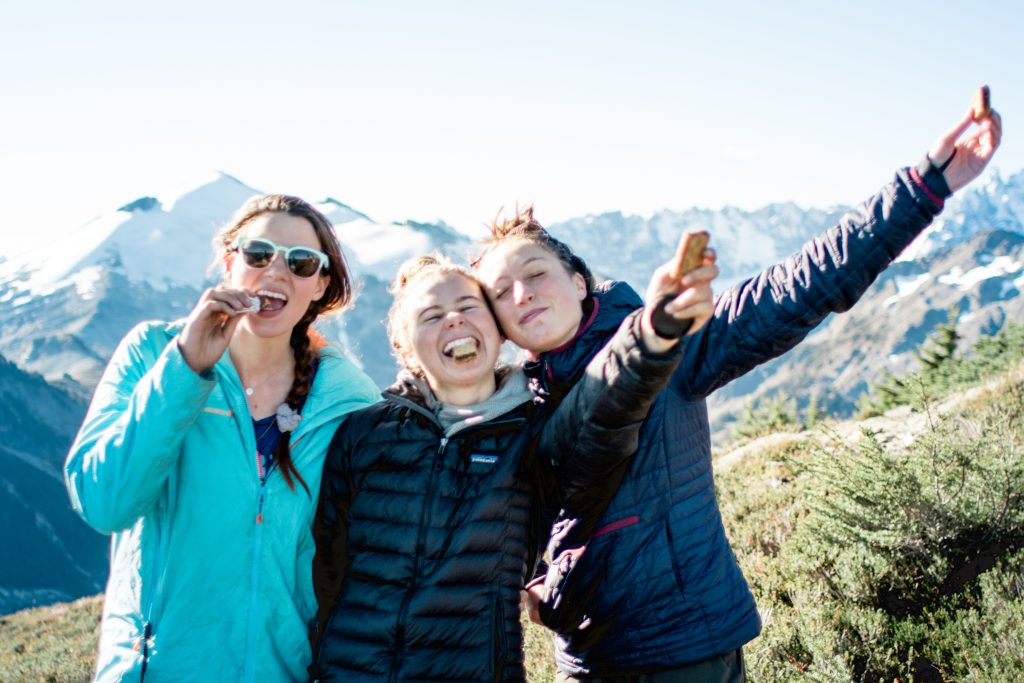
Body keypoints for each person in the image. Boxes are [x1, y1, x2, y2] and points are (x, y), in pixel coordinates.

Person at [471, 100, 1002, 681]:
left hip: (686, 648)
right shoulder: (517, 402)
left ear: (578, 281)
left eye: (536, 274)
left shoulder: (672, 342)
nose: (522, 294)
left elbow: (803, 283)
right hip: (586, 660)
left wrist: (925, 186)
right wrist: (542, 587)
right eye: (502, 292)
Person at [309, 252, 714, 682]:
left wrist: (650, 333)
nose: (453, 321)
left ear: (499, 332)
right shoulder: (364, 434)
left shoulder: (534, 431)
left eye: (468, 308)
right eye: (431, 316)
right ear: (404, 349)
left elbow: (603, 410)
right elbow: (323, 568)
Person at [64, 195, 380, 682]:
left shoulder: (348, 399)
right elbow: (105, 502)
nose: (276, 272)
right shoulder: (153, 354)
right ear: (230, 262)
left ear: (320, 285)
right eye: (258, 254)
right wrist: (185, 367)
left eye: (300, 263)